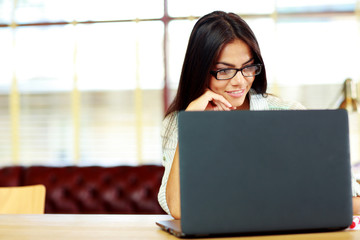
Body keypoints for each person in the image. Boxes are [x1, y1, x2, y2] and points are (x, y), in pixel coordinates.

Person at [157, 11, 360, 219]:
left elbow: (350, 198)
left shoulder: (289, 114)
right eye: (224, 71)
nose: (240, 81)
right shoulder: (177, 123)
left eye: (248, 67)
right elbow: (178, 209)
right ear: (200, 71)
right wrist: (190, 124)